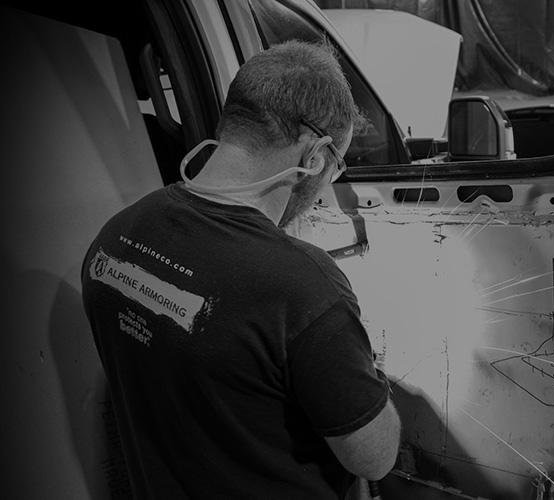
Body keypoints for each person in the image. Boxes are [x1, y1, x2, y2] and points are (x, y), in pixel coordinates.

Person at [81, 40, 401, 499]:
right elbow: (375, 458)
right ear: (314, 154)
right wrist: (369, 377)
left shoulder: (118, 234)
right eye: (337, 165)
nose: (329, 179)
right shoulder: (304, 287)